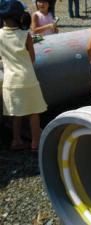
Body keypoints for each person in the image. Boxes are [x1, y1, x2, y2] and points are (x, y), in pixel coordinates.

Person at [0, 0, 47, 151]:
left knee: (17, 114)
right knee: (34, 113)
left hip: (9, 81)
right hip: (27, 79)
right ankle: (35, 143)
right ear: (20, 17)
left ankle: (16, 141)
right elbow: (32, 59)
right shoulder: (25, 34)